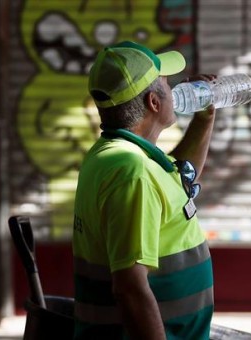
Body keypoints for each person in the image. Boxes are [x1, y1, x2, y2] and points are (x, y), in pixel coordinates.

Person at [72, 40, 216, 339]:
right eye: (166, 81)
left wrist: (205, 118)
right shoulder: (131, 172)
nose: (174, 88)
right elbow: (130, 288)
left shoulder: (119, 154)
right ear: (154, 102)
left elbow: (179, 183)